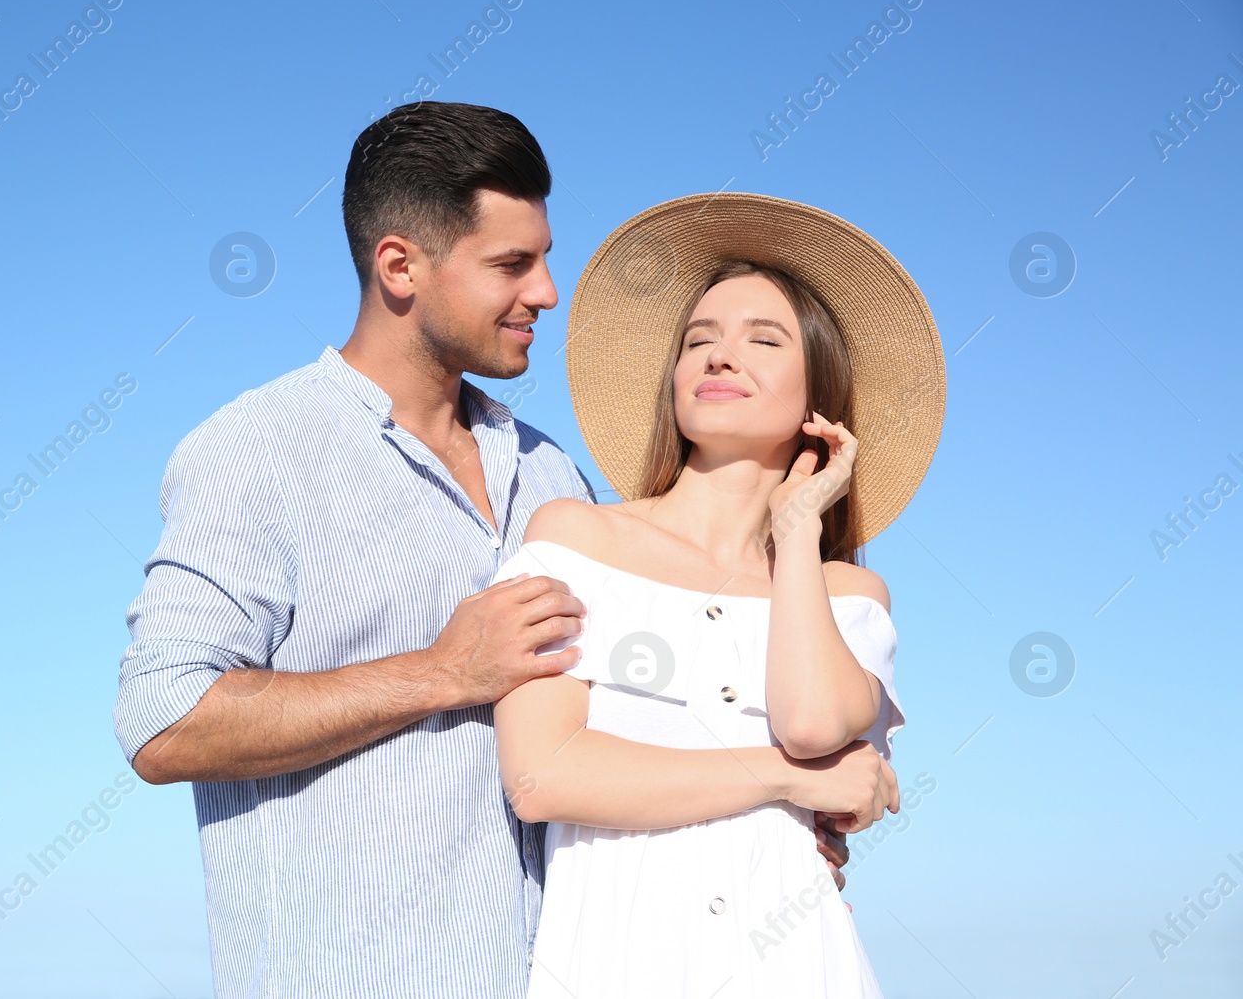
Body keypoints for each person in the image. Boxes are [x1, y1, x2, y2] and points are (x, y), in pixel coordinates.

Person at [112, 103, 849, 997]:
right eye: (512, 264)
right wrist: (441, 670)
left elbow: (619, 733)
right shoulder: (257, 449)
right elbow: (163, 717)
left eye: (543, 258)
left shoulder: (553, 476)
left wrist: (769, 817)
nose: (546, 290)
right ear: (400, 267)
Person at [491, 193, 946, 997]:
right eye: (698, 339)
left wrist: (799, 527)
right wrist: (786, 782)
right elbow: (543, 775)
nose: (719, 355)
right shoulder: (578, 538)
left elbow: (811, 723)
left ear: (820, 394)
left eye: (762, 339)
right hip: (617, 966)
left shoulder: (848, 592)